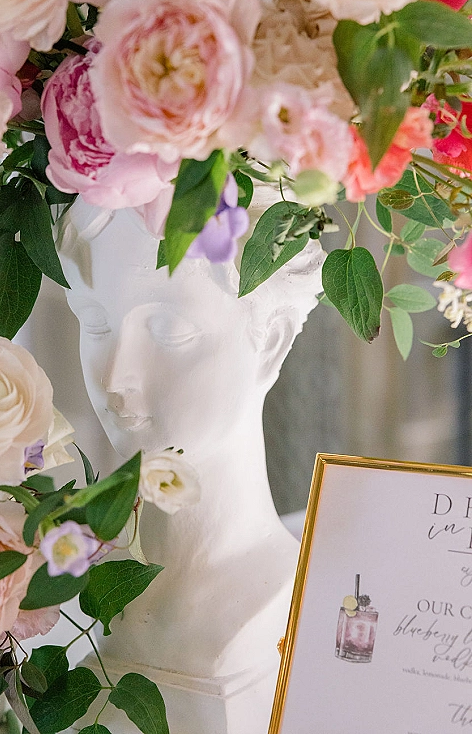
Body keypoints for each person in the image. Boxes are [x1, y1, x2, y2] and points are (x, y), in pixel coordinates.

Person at [58, 196, 324, 730]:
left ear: (270, 343)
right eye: (97, 324)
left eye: (169, 333)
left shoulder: (282, 603)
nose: (117, 379)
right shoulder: (73, 590)